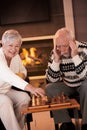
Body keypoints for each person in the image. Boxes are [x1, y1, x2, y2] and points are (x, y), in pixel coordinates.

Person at [0, 29, 45, 130]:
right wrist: (32, 88)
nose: (13, 49)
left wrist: (20, 76)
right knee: (5, 101)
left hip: (4, 90)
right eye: (10, 45)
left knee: (24, 97)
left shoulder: (15, 57)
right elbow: (8, 76)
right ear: (2, 44)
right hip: (2, 94)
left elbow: (23, 71)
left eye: (17, 46)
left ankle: (17, 127)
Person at [45, 27, 87, 130]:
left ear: (73, 42)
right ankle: (66, 124)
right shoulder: (56, 52)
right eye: (58, 46)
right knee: (50, 88)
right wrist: (56, 60)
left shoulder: (84, 49)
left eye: (64, 46)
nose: (62, 50)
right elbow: (52, 80)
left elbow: (84, 75)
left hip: (83, 84)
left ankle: (86, 124)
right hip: (67, 85)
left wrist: (75, 56)